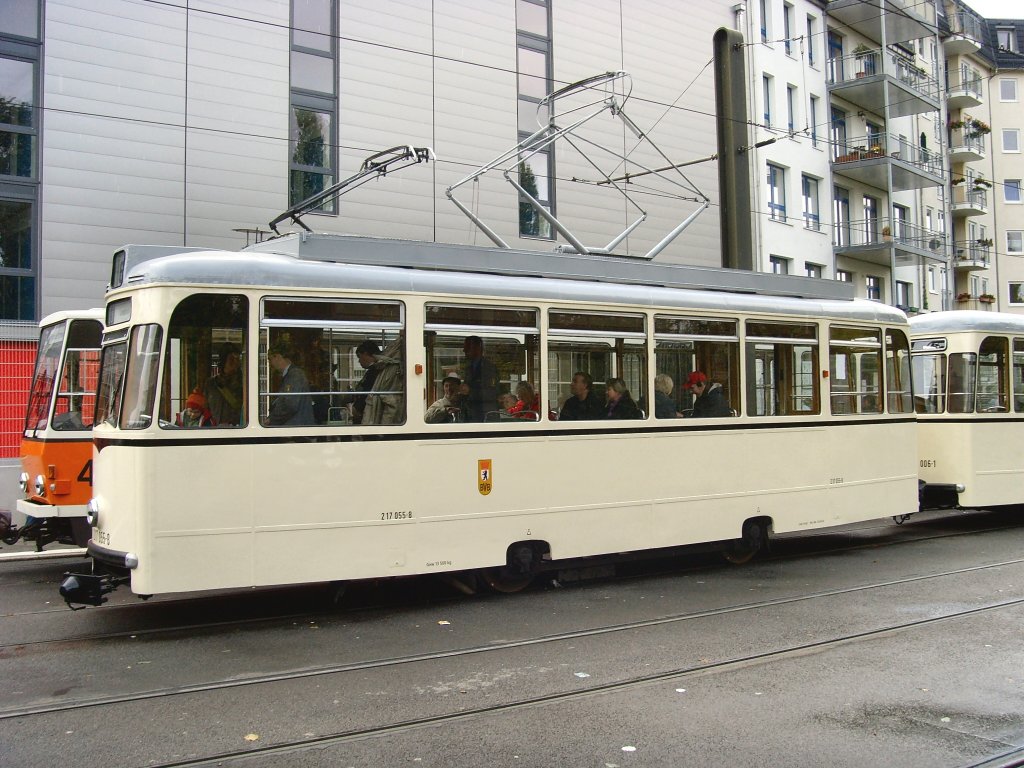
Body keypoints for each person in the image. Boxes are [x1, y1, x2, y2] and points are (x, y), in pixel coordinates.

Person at [350, 340, 404, 425]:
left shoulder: (375, 372)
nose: (359, 361)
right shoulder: (379, 369)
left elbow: (367, 392)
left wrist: (356, 408)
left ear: (365, 354)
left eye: (359, 357)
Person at [267, 343, 315, 426]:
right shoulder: (291, 375)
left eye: (270, 359)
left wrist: (271, 420)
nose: (270, 364)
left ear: (277, 357)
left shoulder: (295, 375)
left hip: (296, 430)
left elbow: (290, 405)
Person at [204, 342, 243, 426]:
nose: (236, 363)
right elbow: (205, 408)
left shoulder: (244, 383)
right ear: (223, 361)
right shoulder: (210, 384)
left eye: (237, 359)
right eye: (231, 359)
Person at [461, 335, 498, 422]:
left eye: (468, 347)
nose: (464, 350)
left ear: (478, 348)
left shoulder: (489, 368)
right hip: (471, 414)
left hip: (485, 415)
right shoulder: (469, 367)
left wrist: (470, 391)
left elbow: (492, 393)